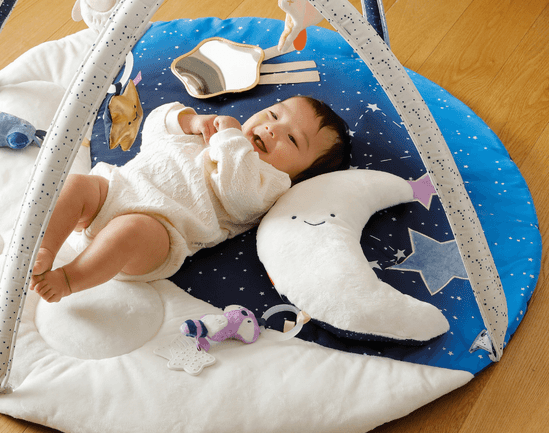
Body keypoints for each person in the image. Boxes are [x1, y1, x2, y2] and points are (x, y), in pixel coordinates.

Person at [31, 96, 350, 303]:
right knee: (76, 185)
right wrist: (191, 121)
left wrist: (230, 139)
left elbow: (239, 195)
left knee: (129, 231)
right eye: (273, 114)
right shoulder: (211, 131)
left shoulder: (271, 183)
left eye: (292, 139)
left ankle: (69, 279)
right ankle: (44, 248)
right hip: (114, 190)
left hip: (159, 232)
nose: (271, 129)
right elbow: (155, 127)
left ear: (299, 176)